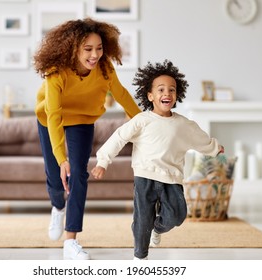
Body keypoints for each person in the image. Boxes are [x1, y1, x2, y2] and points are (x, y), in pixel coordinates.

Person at [91, 60, 224, 260]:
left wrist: (214, 148)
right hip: (145, 176)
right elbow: (119, 137)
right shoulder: (142, 120)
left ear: (176, 95)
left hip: (172, 178)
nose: (167, 93)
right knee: (142, 218)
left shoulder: (183, 124)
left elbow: (200, 139)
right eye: (161, 89)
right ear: (150, 95)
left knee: (177, 216)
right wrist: (103, 161)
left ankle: (157, 228)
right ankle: (140, 257)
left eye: (172, 90)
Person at [33, 18, 141, 260]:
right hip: (50, 119)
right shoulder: (56, 73)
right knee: (54, 175)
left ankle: (70, 241)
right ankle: (58, 206)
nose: (95, 55)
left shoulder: (105, 69)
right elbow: (53, 115)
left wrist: (145, 123)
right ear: (74, 49)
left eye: (99, 48)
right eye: (88, 49)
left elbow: (122, 95)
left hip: (82, 120)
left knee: (79, 174)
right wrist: (61, 159)